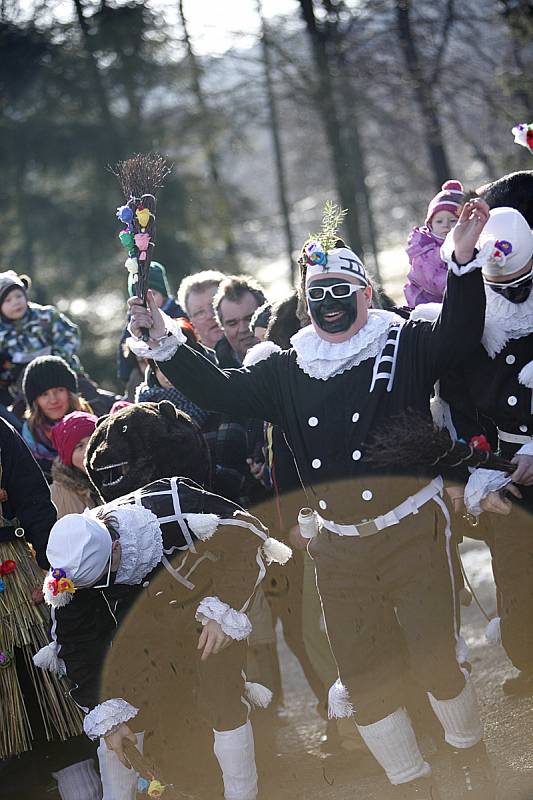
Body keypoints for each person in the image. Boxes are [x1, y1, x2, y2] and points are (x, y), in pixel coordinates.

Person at [127, 198, 495, 800]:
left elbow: (460, 332)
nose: (327, 302)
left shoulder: (400, 341)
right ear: (305, 300)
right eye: (316, 290)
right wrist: (165, 338)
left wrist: (460, 257)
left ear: (366, 295)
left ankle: (469, 753)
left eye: (339, 289)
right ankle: (410, 783)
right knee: (363, 676)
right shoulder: (290, 366)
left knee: (434, 661)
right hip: (339, 552)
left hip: (410, 532)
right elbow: (220, 390)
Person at [35, 411, 291, 800]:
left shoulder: (172, 504)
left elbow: (249, 535)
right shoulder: (70, 580)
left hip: (206, 622)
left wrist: (223, 611)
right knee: (118, 718)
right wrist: (104, 714)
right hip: (140, 635)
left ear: (115, 545)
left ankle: (244, 793)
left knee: (220, 697)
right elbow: (77, 649)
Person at [440, 206, 533, 697]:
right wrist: (479, 474)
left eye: (526, 284)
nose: (516, 297)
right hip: (503, 475)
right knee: (517, 577)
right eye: (505, 288)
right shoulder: (469, 332)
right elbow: (457, 409)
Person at [117, 261, 185, 398]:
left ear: (164, 294)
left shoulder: (176, 314)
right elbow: (125, 345)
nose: (147, 300)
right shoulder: (134, 320)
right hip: (145, 371)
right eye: (140, 297)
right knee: (135, 382)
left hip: (175, 369)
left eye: (153, 294)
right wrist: (125, 372)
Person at [21, 355, 93, 480]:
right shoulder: (28, 439)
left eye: (59, 390)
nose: (53, 400)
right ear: (35, 401)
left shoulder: (91, 422)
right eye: (44, 394)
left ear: (70, 393)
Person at [404, 180, 464, 307]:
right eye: (439, 221)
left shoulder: (465, 243)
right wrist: (463, 285)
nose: (446, 226)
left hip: (453, 301)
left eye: (453, 220)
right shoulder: (426, 249)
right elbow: (432, 280)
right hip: (426, 301)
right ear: (430, 225)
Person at [50, 411, 99, 518]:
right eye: (79, 446)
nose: (88, 451)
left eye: (93, 441)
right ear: (68, 456)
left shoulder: (117, 482)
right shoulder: (57, 497)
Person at [213, 275, 267, 367]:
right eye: (232, 323)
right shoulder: (214, 373)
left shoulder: (292, 360)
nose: (243, 329)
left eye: (250, 319)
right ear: (222, 327)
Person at [177, 269, 226, 350]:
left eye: (215, 306)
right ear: (192, 324)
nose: (210, 316)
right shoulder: (192, 362)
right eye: (200, 313)